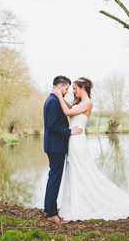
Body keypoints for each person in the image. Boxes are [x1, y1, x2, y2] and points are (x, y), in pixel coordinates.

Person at [52, 77, 129, 221]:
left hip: (77, 142)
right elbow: (70, 109)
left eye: (75, 88)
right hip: (73, 141)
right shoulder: (81, 103)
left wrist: (58, 96)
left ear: (82, 88)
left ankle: (81, 205)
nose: (73, 91)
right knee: (77, 171)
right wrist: (61, 99)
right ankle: (77, 204)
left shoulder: (87, 103)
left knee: (81, 170)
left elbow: (67, 113)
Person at [43, 75, 83, 224]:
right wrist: (69, 132)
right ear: (60, 87)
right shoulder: (53, 102)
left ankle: (48, 210)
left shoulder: (53, 99)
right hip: (56, 146)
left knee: (52, 178)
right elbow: (52, 125)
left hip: (54, 146)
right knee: (55, 179)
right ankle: (52, 214)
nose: (67, 91)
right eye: (66, 88)